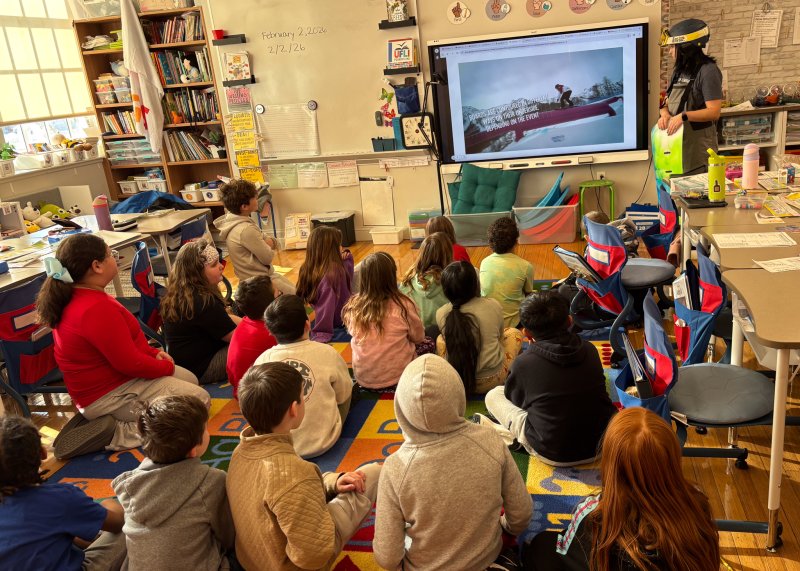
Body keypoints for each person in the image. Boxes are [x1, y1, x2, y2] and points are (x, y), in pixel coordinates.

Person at [36, 233, 209, 458]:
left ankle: (106, 418)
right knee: (197, 402)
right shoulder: (93, 308)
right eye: (110, 255)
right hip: (109, 394)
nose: (114, 259)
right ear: (97, 266)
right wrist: (163, 367)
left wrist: (153, 353)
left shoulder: (82, 296)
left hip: (113, 384)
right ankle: (114, 431)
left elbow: (127, 341)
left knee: (189, 381)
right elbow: (129, 363)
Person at [373, 354, 532, 571]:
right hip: (488, 560)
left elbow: (388, 557)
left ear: (401, 407)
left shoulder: (394, 469)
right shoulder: (490, 440)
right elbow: (521, 515)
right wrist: (505, 528)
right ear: (457, 393)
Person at [521, 407, 720, 571]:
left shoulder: (596, 516)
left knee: (541, 546)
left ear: (610, 466)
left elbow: (564, 553)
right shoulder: (698, 504)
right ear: (672, 461)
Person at [226, 362, 381, 571]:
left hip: (253, 559)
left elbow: (284, 491)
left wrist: (331, 482)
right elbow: (314, 557)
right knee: (373, 474)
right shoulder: (297, 474)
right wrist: (323, 518)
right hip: (292, 564)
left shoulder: (240, 453)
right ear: (294, 408)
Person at [478, 291, 617, 465]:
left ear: (527, 334)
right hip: (604, 442)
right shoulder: (589, 350)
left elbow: (517, 401)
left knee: (493, 395)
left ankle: (511, 438)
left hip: (553, 452)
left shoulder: (524, 363)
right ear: (569, 321)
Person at [111, 395, 235, 571]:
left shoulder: (131, 484)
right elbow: (229, 536)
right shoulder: (210, 481)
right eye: (205, 429)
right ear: (193, 450)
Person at [0, 415, 127, 570]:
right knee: (130, 526)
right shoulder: (59, 497)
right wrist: (110, 502)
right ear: (43, 453)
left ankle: (83, 532)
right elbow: (118, 523)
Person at [255, 294, 352, 458]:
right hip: (325, 440)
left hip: (279, 446)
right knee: (348, 387)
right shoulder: (327, 352)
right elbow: (343, 394)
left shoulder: (262, 360)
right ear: (308, 324)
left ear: (271, 331)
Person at [342, 252, 426, 391]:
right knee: (429, 342)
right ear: (392, 276)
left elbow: (352, 332)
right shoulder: (403, 305)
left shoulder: (353, 306)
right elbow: (419, 337)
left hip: (364, 378)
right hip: (400, 377)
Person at [436, 261, 523, 396]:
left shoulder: (441, 313)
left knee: (440, 339)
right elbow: (500, 338)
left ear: (445, 289)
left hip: (457, 379)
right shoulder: (492, 305)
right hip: (492, 379)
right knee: (514, 332)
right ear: (475, 284)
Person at [162, 239, 241, 385]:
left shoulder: (182, 292)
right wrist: (256, 328)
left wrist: (248, 323)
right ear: (196, 273)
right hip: (202, 368)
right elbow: (237, 338)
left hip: (186, 364)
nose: (221, 267)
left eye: (219, 262)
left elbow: (226, 318)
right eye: (213, 265)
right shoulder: (203, 301)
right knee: (253, 344)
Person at [658, 18, 722, 176]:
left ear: (686, 47)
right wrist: (664, 114)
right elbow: (666, 102)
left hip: (698, 151)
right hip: (675, 147)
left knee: (695, 197)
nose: (670, 51)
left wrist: (683, 116)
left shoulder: (708, 71)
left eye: (673, 46)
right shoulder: (678, 71)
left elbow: (714, 112)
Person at [213, 179, 296, 295]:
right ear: (244, 206)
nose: (257, 199)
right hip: (260, 283)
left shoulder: (235, 220)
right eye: (255, 198)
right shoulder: (246, 229)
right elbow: (267, 257)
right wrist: (271, 242)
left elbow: (263, 237)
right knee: (297, 298)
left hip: (251, 280)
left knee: (294, 289)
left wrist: (266, 241)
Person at [295, 226, 354, 343]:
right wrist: (322, 332)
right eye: (339, 245)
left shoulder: (308, 266)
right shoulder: (333, 273)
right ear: (331, 249)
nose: (341, 248)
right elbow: (326, 306)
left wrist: (346, 257)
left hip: (326, 312)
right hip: (339, 318)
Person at [226, 275, 277, 398]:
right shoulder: (270, 333)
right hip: (257, 395)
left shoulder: (245, 322)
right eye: (279, 294)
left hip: (240, 388)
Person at [480, 216, 534, 328]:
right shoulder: (526, 266)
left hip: (489, 322)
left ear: (491, 241)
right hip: (514, 324)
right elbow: (528, 293)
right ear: (516, 241)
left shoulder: (484, 262)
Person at [399, 232, 453, 338]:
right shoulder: (450, 280)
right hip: (443, 334)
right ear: (448, 254)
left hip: (415, 335)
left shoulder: (408, 279)